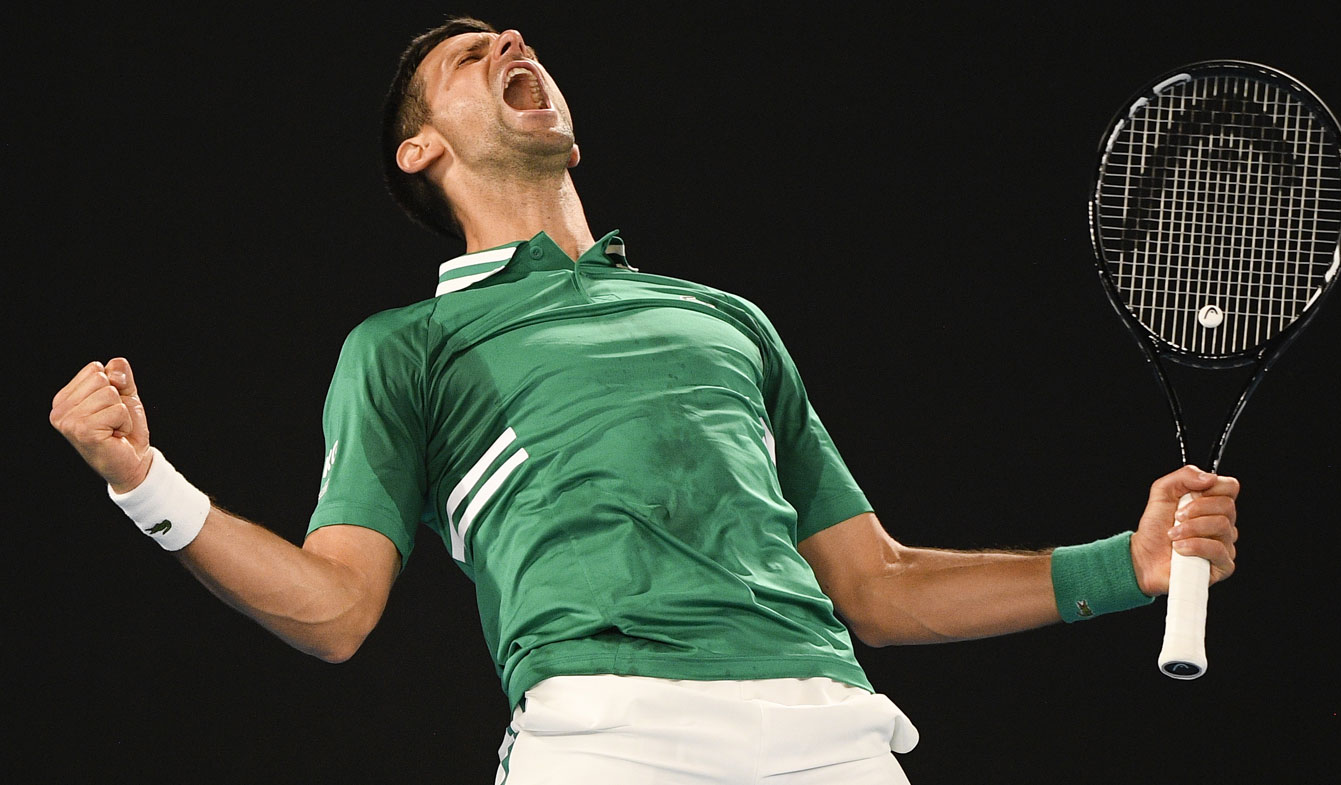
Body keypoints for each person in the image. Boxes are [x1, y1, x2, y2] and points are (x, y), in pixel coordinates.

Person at [48, 16, 1239, 785]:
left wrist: (1115, 568)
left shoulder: (725, 318)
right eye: (468, 54)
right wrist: (145, 482)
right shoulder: (407, 348)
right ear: (419, 151)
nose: (512, 40)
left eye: (515, 35)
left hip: (832, 733)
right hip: (608, 738)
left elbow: (873, 583)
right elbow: (334, 608)